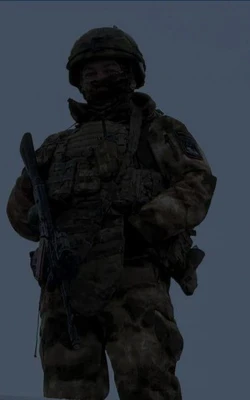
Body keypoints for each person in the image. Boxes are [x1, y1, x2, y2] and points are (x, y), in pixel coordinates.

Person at [6, 26, 217, 400]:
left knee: (147, 379)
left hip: (133, 272)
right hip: (67, 281)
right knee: (68, 388)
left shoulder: (158, 129)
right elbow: (18, 209)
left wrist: (143, 227)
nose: (98, 78)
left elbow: (196, 185)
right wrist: (41, 218)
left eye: (108, 69)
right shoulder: (56, 147)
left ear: (131, 74)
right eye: (90, 72)